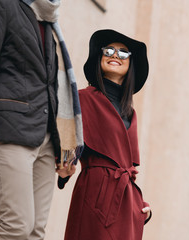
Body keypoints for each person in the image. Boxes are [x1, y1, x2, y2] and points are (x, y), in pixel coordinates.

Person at [0, 0, 82, 239]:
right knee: (15, 227)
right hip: (9, 133)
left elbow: (51, 88)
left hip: (45, 141)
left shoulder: (49, 19)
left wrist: (62, 147)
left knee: (35, 233)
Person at [63, 29, 152, 240]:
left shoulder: (130, 112)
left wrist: (141, 206)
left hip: (126, 203)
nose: (115, 55)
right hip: (95, 195)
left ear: (131, 64)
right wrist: (65, 165)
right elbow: (65, 145)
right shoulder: (82, 99)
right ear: (99, 58)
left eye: (123, 53)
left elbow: (127, 167)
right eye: (109, 50)